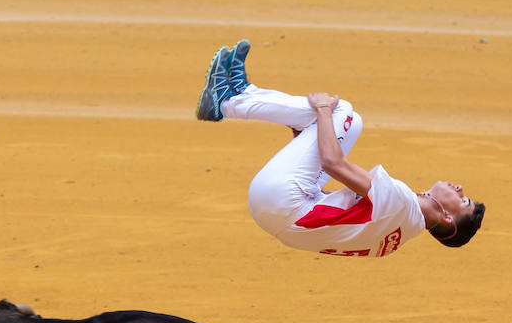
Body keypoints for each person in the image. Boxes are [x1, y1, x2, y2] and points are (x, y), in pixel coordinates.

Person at [196, 41, 485, 258]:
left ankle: (226, 102)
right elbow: (331, 212)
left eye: (464, 200)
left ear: (447, 217)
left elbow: (332, 162)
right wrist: (305, 138)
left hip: (281, 199)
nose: (459, 188)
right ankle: (241, 92)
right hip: (278, 212)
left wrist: (322, 110)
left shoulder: (400, 202)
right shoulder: (399, 235)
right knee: (339, 124)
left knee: (343, 114)